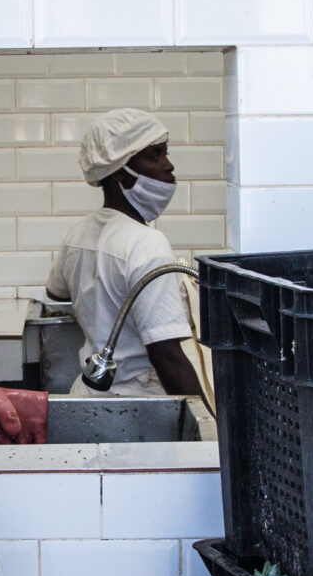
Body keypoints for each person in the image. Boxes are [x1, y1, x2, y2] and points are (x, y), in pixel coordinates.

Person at [45, 107, 203, 398]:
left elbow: (56, 294)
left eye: (165, 153)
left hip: (89, 396)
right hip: (138, 406)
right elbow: (167, 356)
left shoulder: (79, 233)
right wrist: (207, 429)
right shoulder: (147, 244)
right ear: (120, 171)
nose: (168, 166)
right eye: (154, 156)